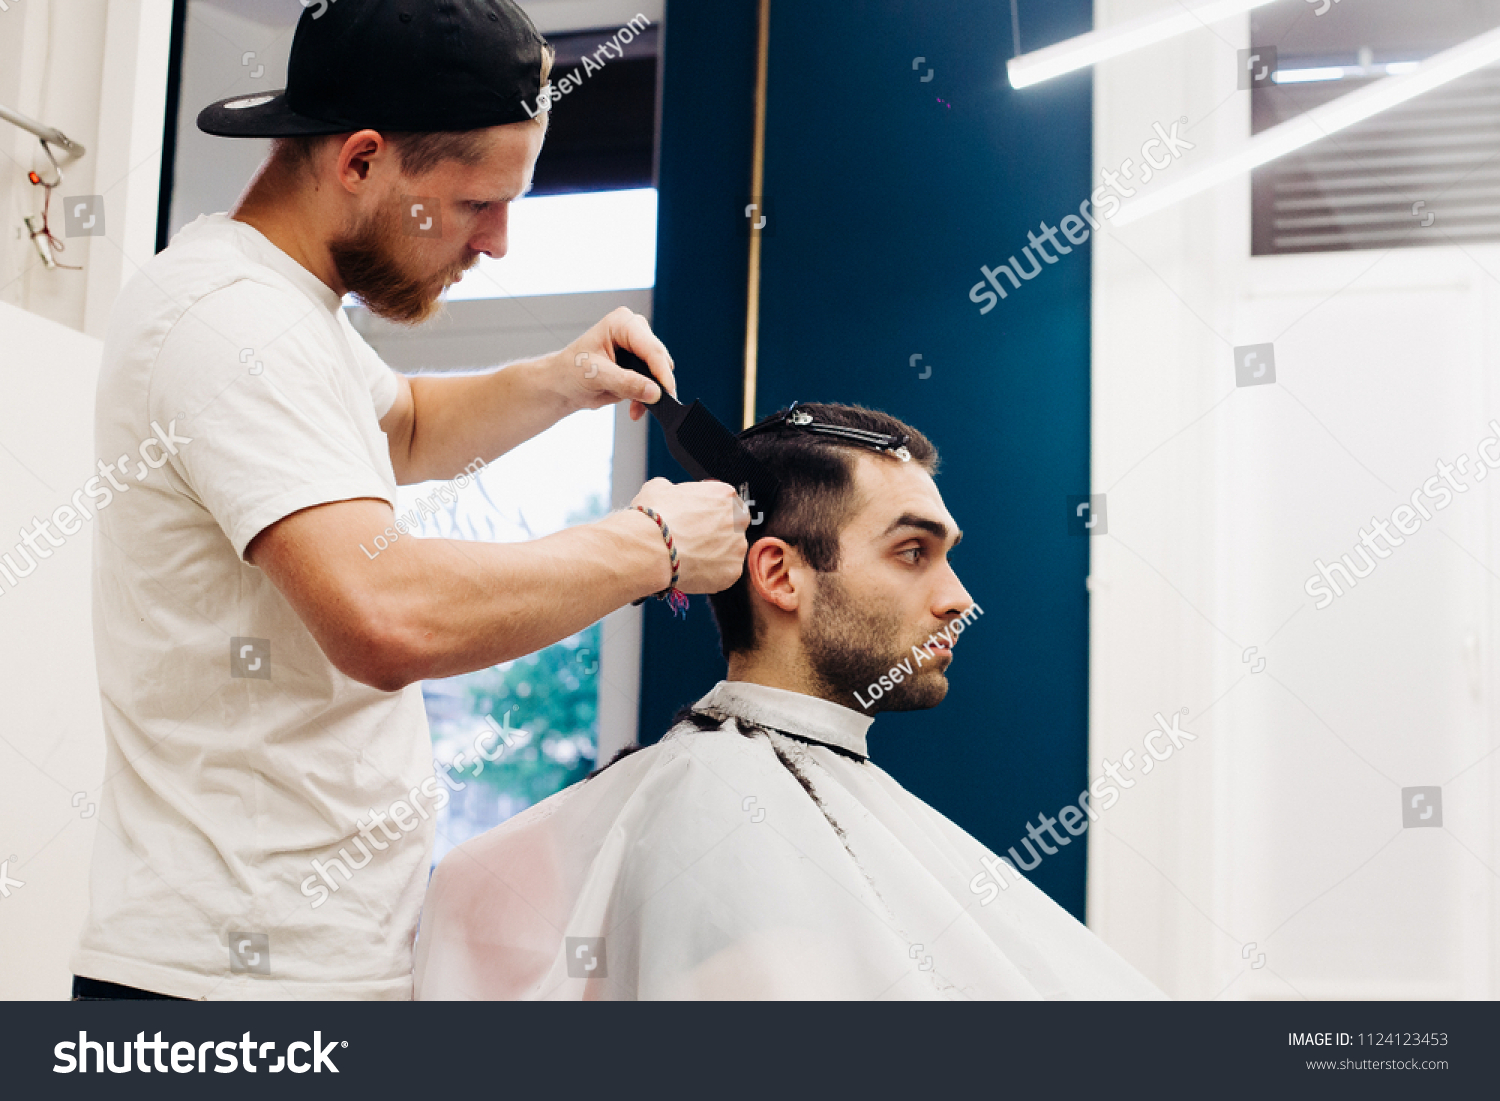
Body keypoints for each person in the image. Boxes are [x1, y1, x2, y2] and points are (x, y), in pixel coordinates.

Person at [70, 0, 746, 1000]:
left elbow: (409, 426)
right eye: (478, 204)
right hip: (225, 994)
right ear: (361, 161)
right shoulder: (228, 321)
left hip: (310, 973)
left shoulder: (289, 313)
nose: (502, 242)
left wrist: (563, 376)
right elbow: (385, 614)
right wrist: (653, 547)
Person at [413, 402, 1165, 1000]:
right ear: (779, 575)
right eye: (912, 551)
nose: (959, 599)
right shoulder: (721, 808)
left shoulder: (781, 782)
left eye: (947, 555)